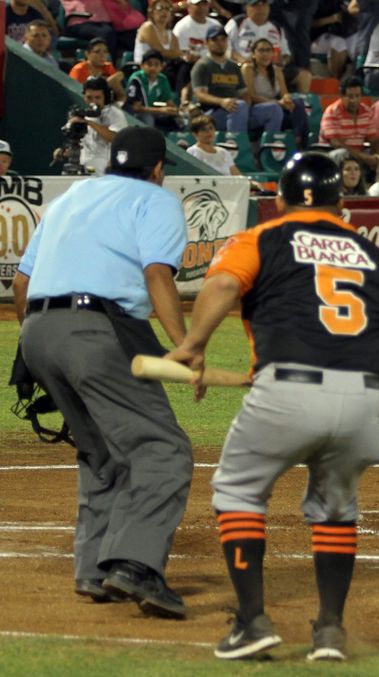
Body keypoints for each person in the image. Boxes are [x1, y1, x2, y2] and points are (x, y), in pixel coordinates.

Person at [164, 152, 379, 660]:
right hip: (364, 402)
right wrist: (367, 380)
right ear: (342, 205)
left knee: (239, 489)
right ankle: (329, 630)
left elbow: (221, 283)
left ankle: (252, 622)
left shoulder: (264, 237)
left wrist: (194, 344)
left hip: (286, 389)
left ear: (279, 201)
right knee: (335, 507)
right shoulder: (376, 256)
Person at [12, 126, 193, 618]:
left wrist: (45, 345)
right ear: (158, 169)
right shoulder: (156, 201)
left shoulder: (73, 197)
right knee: (162, 449)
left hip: (38, 332)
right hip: (99, 331)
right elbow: (158, 274)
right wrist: (186, 345)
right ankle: (135, 566)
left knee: (102, 452)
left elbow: (22, 284)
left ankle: (93, 570)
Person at [192, 25, 284, 135]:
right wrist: (222, 101)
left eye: (223, 39)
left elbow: (244, 93)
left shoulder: (233, 66)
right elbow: (200, 95)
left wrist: (247, 105)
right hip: (212, 113)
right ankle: (236, 146)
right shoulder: (202, 65)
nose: (220, 43)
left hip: (239, 110)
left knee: (274, 109)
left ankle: (269, 148)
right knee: (239, 106)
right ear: (206, 43)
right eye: (215, 40)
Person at [228, 0, 312, 94]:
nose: (261, 8)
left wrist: (282, 62)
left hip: (272, 69)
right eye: (256, 5)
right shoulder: (237, 23)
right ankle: (252, 102)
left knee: (304, 75)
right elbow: (226, 47)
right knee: (247, 69)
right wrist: (242, 60)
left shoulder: (276, 27)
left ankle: (303, 104)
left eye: (264, 4)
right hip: (247, 67)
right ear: (247, 8)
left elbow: (286, 54)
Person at [242, 37, 311, 145]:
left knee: (298, 102)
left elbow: (284, 93)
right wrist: (277, 102)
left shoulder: (277, 70)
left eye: (268, 50)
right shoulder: (248, 69)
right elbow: (251, 96)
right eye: (261, 50)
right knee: (275, 109)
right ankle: (269, 147)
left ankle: (299, 140)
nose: (265, 54)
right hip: (255, 110)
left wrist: (287, 100)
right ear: (253, 54)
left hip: (276, 106)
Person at [53, 77, 128, 176]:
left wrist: (89, 122)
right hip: (86, 169)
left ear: (105, 97)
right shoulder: (82, 115)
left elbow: (116, 138)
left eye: (97, 97)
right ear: (84, 97)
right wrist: (64, 152)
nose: (93, 101)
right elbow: (83, 146)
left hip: (107, 170)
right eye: (89, 97)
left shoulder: (114, 114)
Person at [320, 76, 379, 172]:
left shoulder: (367, 112)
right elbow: (336, 143)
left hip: (360, 154)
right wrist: (364, 157)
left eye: (357, 96)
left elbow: (374, 140)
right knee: (341, 153)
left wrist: (375, 157)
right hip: (334, 154)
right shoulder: (332, 112)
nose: (354, 100)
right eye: (350, 96)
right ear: (342, 95)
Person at [125, 50, 180, 131]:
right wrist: (160, 111)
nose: (153, 68)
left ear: (162, 67)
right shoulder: (136, 79)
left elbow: (169, 101)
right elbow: (136, 107)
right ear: (142, 65)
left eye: (156, 64)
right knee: (148, 119)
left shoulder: (162, 79)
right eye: (149, 64)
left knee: (179, 119)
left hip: (153, 110)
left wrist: (175, 110)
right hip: (135, 113)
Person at [70, 37, 126, 102]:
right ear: (87, 54)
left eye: (105, 52)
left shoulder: (108, 67)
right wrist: (107, 82)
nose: (102, 55)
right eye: (97, 52)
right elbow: (76, 95)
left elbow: (118, 84)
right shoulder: (78, 70)